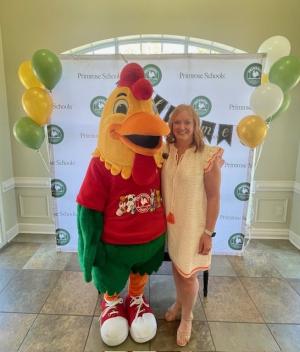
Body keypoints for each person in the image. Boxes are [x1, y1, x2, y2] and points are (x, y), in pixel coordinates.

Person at [161, 104, 224, 346]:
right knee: (177, 269)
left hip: (194, 227)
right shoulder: (166, 150)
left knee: (188, 276)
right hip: (172, 225)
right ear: (171, 125)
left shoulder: (207, 155)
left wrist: (208, 233)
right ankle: (179, 302)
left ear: (195, 125)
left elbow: (214, 197)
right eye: (177, 122)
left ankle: (187, 318)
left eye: (187, 122)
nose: (182, 127)